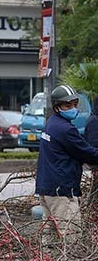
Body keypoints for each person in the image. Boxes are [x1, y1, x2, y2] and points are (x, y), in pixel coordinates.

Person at [36, 85, 98, 246]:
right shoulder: (65, 129)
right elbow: (87, 153)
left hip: (46, 188)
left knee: (48, 238)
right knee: (72, 237)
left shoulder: (51, 123)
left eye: (75, 104)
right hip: (61, 192)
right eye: (67, 105)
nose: (73, 108)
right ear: (57, 107)